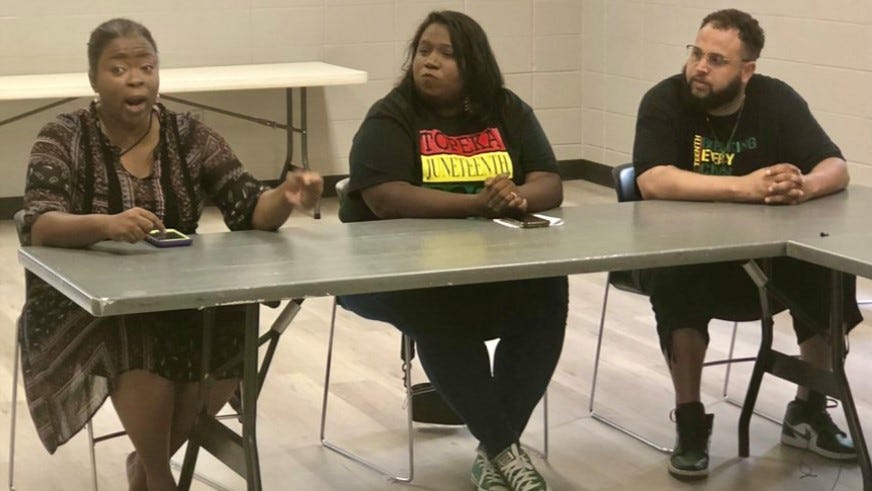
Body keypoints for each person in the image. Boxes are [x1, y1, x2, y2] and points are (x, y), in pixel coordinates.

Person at [18, 18, 323, 491]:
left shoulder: (190, 135)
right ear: (93, 79)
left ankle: (145, 472)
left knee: (235, 322)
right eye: (118, 68)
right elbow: (39, 224)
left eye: (146, 66)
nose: (136, 79)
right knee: (136, 332)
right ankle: (161, 479)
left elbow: (248, 209)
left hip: (181, 288)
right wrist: (106, 225)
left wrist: (285, 196)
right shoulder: (63, 135)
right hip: (82, 302)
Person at [337, 10, 566, 491]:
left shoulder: (507, 110)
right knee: (437, 300)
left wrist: (516, 197)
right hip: (398, 274)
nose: (430, 62)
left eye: (446, 54)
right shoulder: (391, 116)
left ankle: (494, 451)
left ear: (474, 64)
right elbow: (384, 198)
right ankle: (504, 448)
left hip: (490, 265)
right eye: (423, 51)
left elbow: (549, 181)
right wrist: (477, 205)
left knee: (547, 289)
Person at [632, 8, 862, 480]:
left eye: (717, 60)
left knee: (829, 269)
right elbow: (653, 180)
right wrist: (746, 187)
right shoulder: (663, 101)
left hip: (766, 255)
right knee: (676, 281)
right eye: (696, 53)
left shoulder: (776, 99)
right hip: (689, 252)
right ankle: (690, 422)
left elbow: (836, 166)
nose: (700, 67)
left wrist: (805, 186)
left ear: (746, 71)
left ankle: (808, 411)